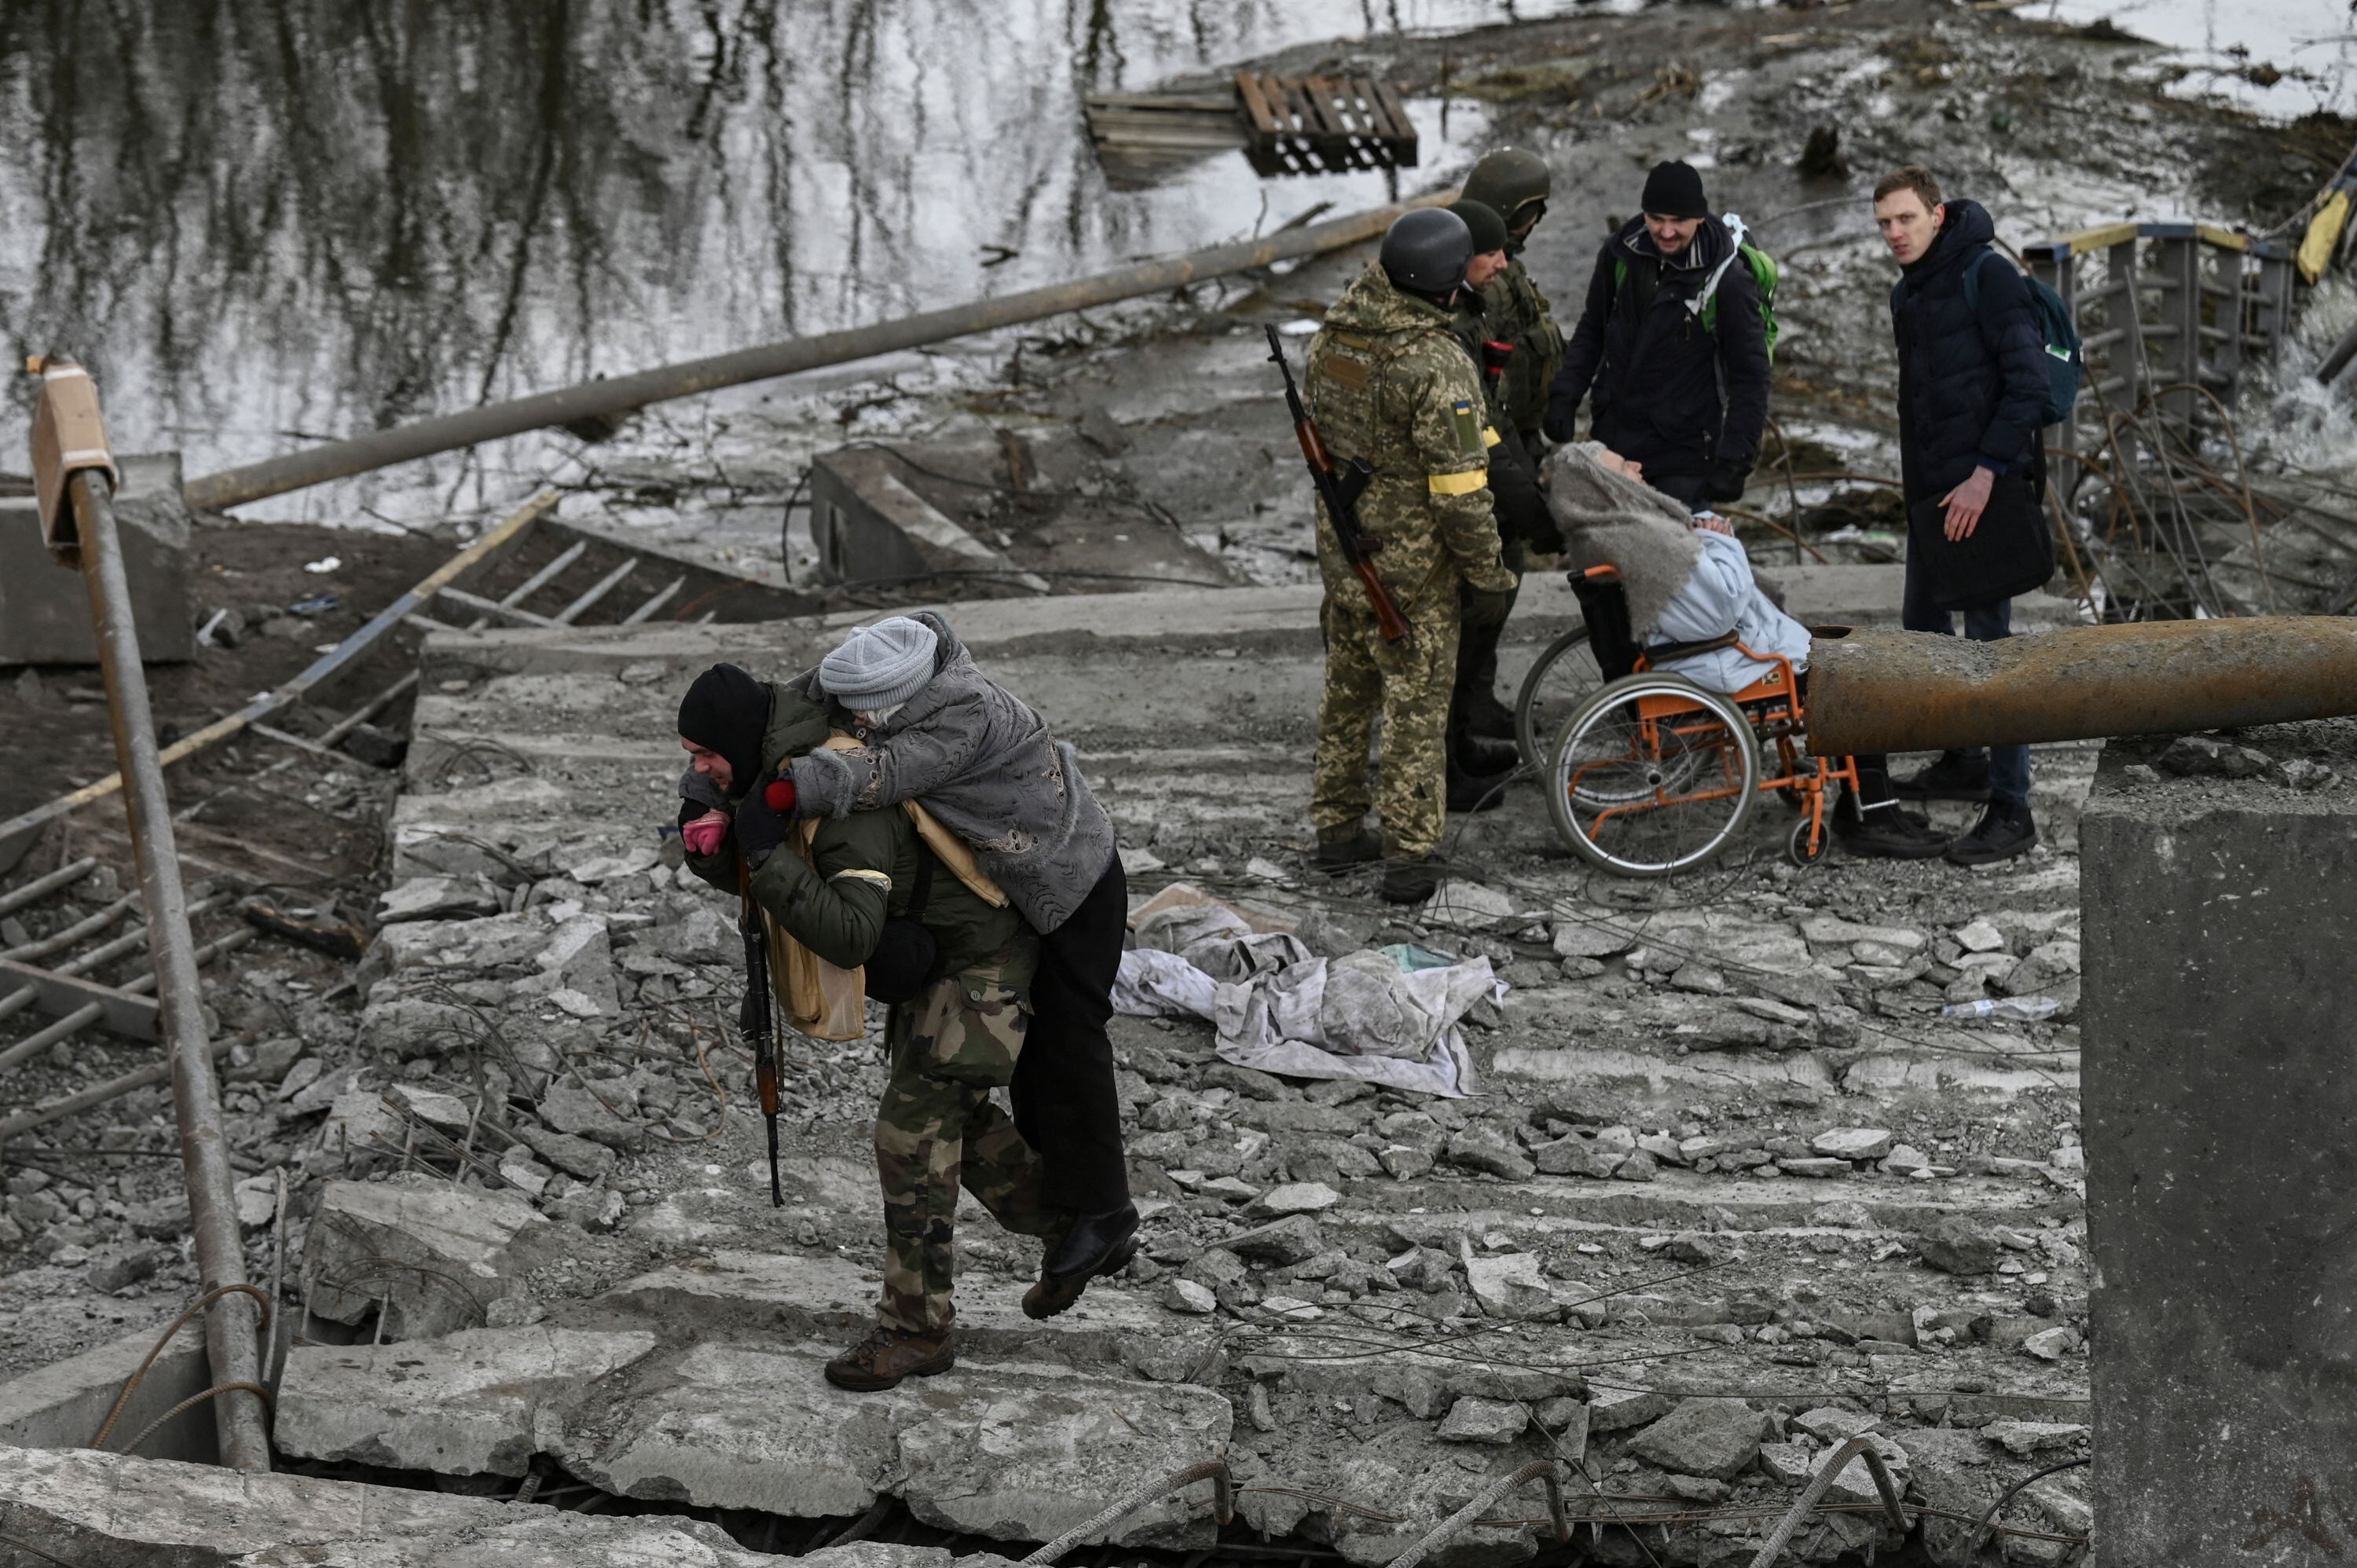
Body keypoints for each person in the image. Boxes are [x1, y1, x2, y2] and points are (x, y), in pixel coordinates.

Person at [676, 667, 1061, 1390]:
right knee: (955, 1123)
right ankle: (1077, 1227)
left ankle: (917, 1333)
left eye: (704, 754)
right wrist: (719, 857)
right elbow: (798, 871)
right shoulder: (772, 773)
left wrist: (758, 853)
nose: (696, 770)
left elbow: (850, 933)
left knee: (910, 1136)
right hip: (942, 960)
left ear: (736, 739)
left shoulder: (838, 790)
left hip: (984, 965)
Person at [772, 614, 1137, 1318]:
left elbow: (882, 774)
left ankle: (1104, 1211)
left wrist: (779, 793)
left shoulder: (968, 713)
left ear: (900, 697)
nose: (852, 719)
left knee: (1071, 1043)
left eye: (862, 711)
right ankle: (1070, 1212)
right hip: (1020, 888)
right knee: (1027, 1061)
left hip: (1075, 880)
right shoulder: (883, 663)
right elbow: (805, 696)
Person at [1549, 443, 1948, 857]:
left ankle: (1869, 804)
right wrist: (1721, 536)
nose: (1637, 464)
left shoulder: (1618, 530)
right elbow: (1721, 608)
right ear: (1606, 486)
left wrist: (1700, 533)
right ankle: (1872, 818)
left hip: (1706, 651)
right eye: (1622, 466)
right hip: (1722, 657)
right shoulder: (1642, 539)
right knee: (1857, 675)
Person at [1304, 207, 1521, 901]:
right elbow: (1461, 492)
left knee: (1346, 697)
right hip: (1415, 573)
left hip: (1347, 561)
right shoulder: (1435, 362)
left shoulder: (1333, 339)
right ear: (1450, 282)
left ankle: (1337, 832)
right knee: (1414, 713)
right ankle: (1411, 857)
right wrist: (1488, 573)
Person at [1875, 165, 2051, 865]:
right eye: (1884, 223)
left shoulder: (1989, 275)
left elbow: (2029, 383)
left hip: (1985, 494)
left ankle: (2013, 808)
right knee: (1925, 633)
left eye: (1905, 220)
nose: (1894, 234)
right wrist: (1919, 499)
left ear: (1937, 214)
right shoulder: (1907, 293)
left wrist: (1985, 475)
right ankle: (1963, 758)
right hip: (1932, 503)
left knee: (1991, 655)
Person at [1544, 160, 1770, 514]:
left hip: (1684, 458)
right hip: (1614, 445)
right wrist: (1566, 394)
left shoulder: (1728, 282)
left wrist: (1735, 459)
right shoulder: (1620, 254)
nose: (1665, 232)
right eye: (1657, 218)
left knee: (1672, 562)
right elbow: (1593, 328)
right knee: (1611, 557)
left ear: (1699, 217)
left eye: (1677, 221)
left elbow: (1751, 376)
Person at [1445, 196, 1564, 786]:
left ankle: (1459, 738)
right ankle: (1442, 768)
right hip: (1441, 520)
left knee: (1480, 613)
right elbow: (1478, 438)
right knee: (1446, 643)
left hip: (1472, 497)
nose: (1501, 266)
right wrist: (1539, 521)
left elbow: (1492, 425)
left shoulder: (1460, 319)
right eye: (1490, 254)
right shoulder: (1441, 344)